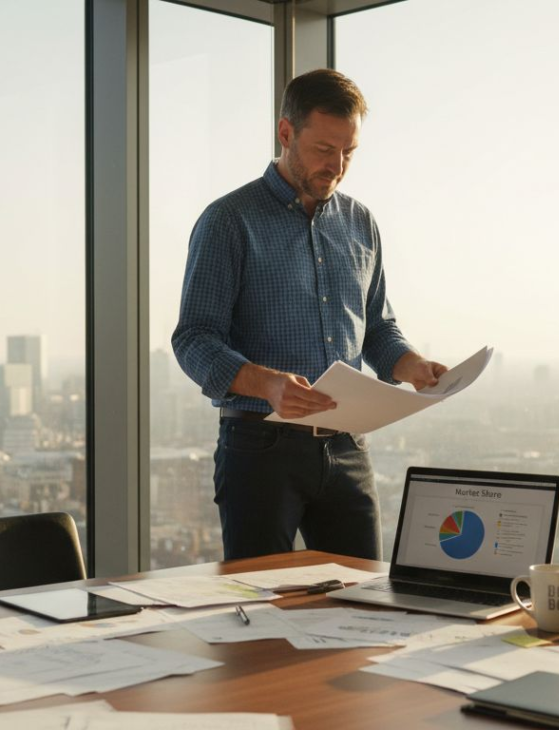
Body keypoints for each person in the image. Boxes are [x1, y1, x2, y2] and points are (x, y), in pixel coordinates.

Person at [172, 68, 446, 561]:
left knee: (363, 600)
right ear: (286, 134)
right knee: (259, 605)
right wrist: (268, 384)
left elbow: (378, 329)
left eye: (349, 152)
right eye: (324, 149)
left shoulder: (361, 222)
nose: (337, 165)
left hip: (348, 448)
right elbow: (193, 338)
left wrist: (411, 365)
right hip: (259, 449)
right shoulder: (228, 221)